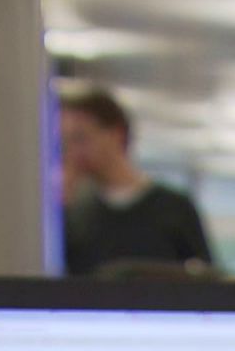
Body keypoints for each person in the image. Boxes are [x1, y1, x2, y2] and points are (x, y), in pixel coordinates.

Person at [60, 88, 215, 277]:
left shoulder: (174, 209)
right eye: (65, 142)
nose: (73, 152)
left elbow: (206, 279)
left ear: (116, 134)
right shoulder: (74, 213)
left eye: (80, 138)